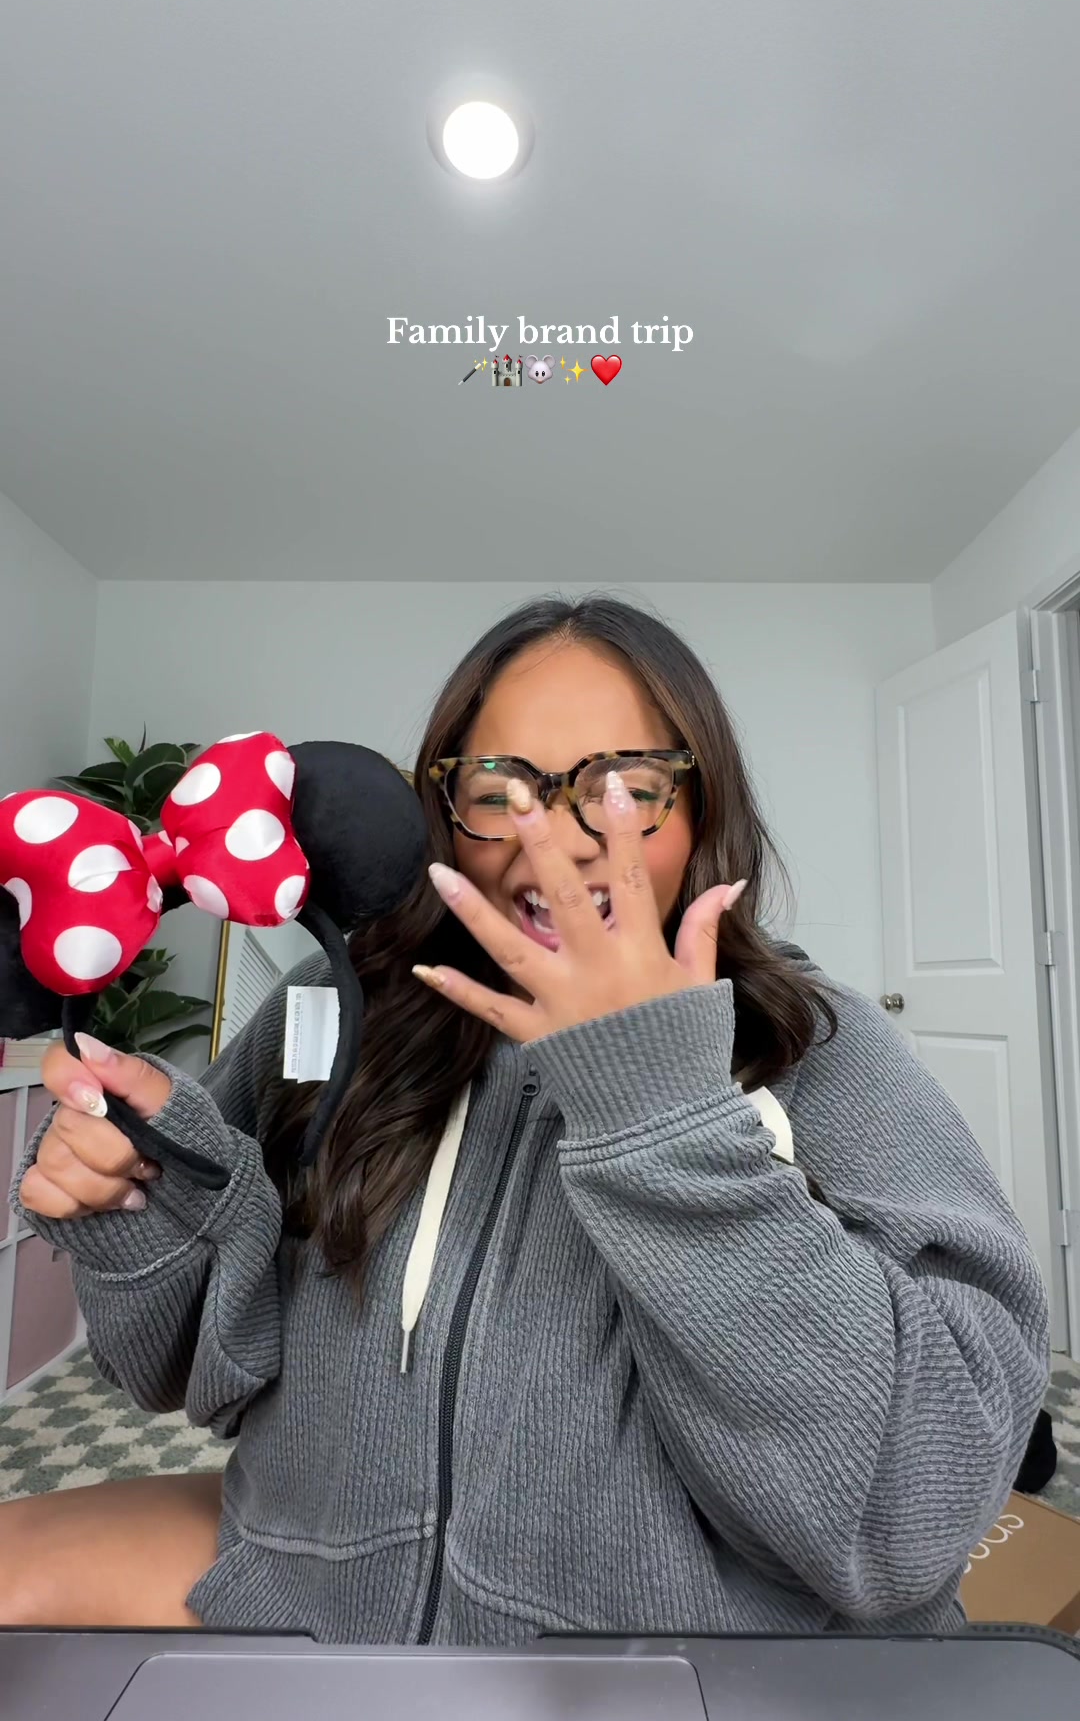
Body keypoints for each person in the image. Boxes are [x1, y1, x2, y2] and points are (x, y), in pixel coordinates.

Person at [0, 595, 1050, 1639]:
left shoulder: (818, 1043)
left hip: (679, 1690)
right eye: (499, 791)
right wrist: (142, 1200)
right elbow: (192, 1373)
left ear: (703, 808)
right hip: (323, 1633)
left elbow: (908, 1524)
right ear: (443, 813)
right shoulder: (332, 1007)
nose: (560, 842)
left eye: (629, 787)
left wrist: (662, 1112)